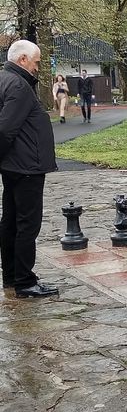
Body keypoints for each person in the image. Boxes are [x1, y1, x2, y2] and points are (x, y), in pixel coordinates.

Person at [0, 39, 59, 298]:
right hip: (26, 166)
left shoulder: (4, 79)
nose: (37, 67)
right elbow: (5, 129)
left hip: (14, 164)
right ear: (23, 60)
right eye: (36, 62)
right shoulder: (19, 86)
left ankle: (11, 275)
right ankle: (25, 280)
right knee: (27, 224)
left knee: (11, 221)